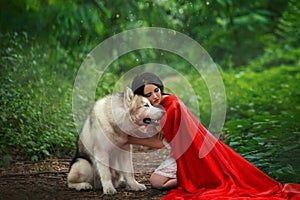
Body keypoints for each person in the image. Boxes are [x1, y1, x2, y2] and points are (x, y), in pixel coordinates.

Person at [127, 72, 300, 199]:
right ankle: (200, 177)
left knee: (157, 182)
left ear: (161, 87)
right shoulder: (155, 109)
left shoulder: (172, 105)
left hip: (195, 153)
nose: (155, 96)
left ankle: (201, 178)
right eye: (148, 95)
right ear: (141, 97)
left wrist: (128, 139)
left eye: (156, 90)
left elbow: (161, 143)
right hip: (183, 152)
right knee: (157, 181)